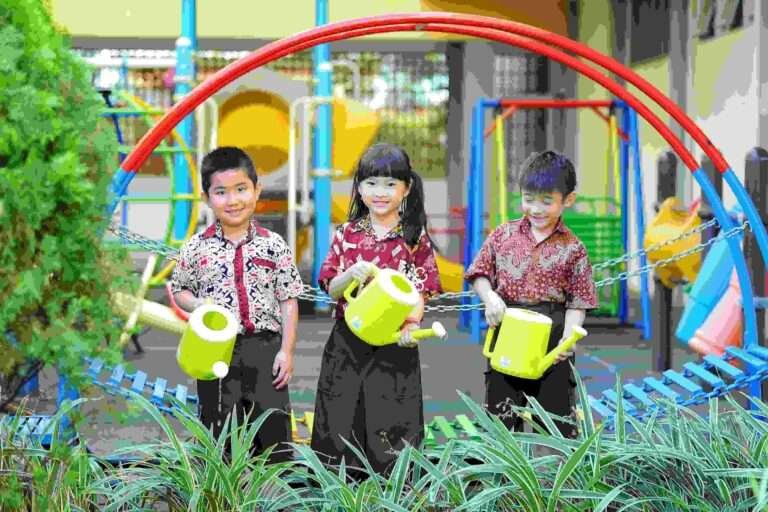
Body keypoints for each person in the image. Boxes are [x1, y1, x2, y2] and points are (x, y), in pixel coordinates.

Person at [310, 143, 442, 477]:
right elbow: (329, 286)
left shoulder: (415, 238)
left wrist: (413, 324)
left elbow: (421, 290)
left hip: (393, 342)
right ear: (358, 186)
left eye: (389, 184)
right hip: (347, 339)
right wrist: (347, 276)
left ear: (406, 188)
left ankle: (394, 490)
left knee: (393, 417)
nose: (379, 193)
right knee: (338, 411)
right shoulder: (347, 234)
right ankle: (335, 487)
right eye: (370, 183)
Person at [170, 146, 303, 463]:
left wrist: (286, 350)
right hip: (215, 351)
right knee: (217, 433)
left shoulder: (274, 244)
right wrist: (197, 304)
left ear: (256, 190)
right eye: (221, 192)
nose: (232, 200)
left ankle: (276, 496)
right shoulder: (196, 247)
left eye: (241, 189)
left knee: (274, 433)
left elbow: (288, 299)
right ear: (206, 198)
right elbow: (179, 290)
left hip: (264, 349)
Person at [465, 150, 598, 438]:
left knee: (556, 418)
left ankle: (558, 476)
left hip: (552, 336)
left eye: (546, 202)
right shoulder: (503, 234)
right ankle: (500, 474)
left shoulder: (574, 248)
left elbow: (579, 300)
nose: (536, 209)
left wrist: (570, 336)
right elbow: (478, 272)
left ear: (568, 200)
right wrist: (490, 298)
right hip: (508, 328)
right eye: (529, 199)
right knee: (500, 411)